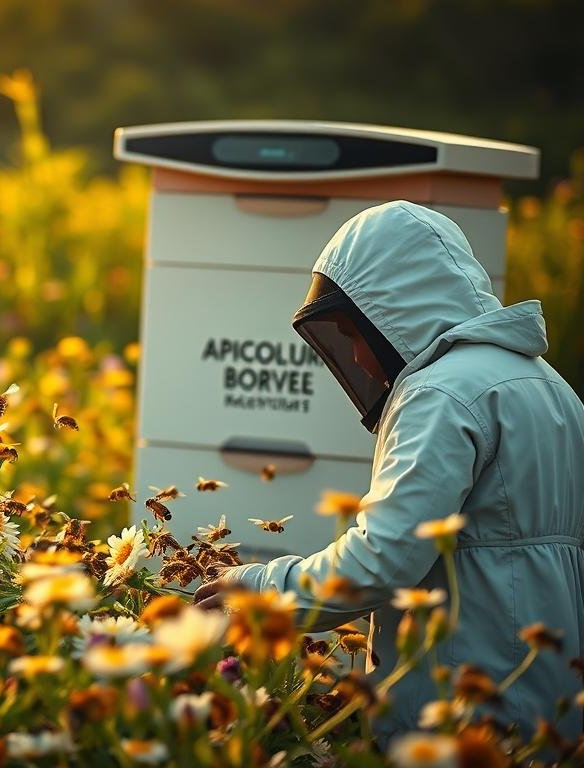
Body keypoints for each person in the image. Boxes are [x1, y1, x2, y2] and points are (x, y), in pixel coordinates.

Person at [193, 200, 584, 746]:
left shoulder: (442, 393)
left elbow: (381, 559)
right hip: (551, 712)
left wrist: (258, 593)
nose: (354, 356)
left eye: (353, 332)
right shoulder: (551, 388)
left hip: (463, 720)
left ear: (390, 311)